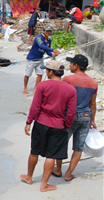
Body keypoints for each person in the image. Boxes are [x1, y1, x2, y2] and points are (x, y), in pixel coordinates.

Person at [20, 60, 77, 192]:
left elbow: (35, 106)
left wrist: (29, 122)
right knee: (51, 155)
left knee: (34, 151)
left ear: (51, 72)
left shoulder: (42, 85)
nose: (46, 72)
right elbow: (72, 112)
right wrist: (67, 125)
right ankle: (44, 184)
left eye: (47, 70)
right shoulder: (71, 89)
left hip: (41, 123)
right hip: (58, 125)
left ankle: (29, 177)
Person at [52, 55, 97, 181]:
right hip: (85, 116)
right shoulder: (93, 83)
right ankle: (69, 173)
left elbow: (61, 98)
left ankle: (58, 169)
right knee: (78, 147)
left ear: (76, 66)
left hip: (69, 116)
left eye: (71, 63)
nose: (70, 65)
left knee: (61, 143)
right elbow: (93, 104)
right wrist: (92, 120)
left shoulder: (67, 79)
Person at [23, 25, 60, 94]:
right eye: (47, 31)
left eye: (49, 31)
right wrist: (53, 50)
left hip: (40, 59)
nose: (48, 32)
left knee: (40, 74)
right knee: (28, 74)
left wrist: (52, 54)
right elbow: (41, 45)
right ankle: (25, 87)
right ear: (43, 31)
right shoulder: (39, 37)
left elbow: (47, 51)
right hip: (32, 59)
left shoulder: (49, 40)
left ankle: (36, 88)